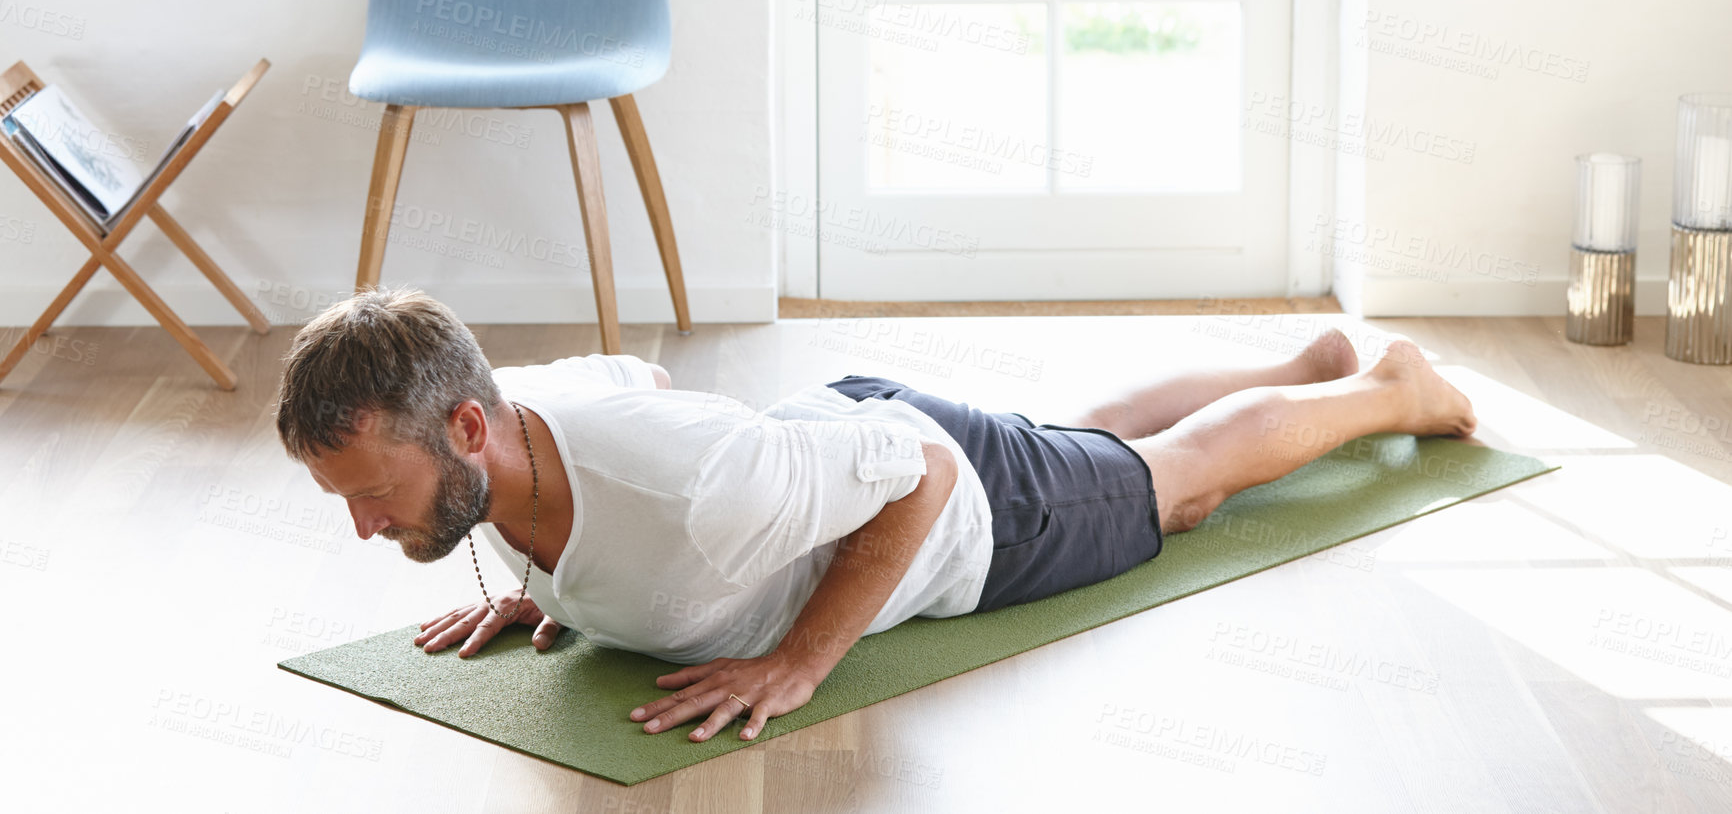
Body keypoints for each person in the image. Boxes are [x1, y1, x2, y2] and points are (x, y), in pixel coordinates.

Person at [275, 288, 1476, 744]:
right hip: (821, 441)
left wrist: (802, 660)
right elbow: (633, 385)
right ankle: (1304, 363)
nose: (368, 527)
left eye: (378, 493)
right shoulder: (515, 413)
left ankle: (1386, 389)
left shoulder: (700, 484)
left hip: (946, 495)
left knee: (1174, 482)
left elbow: (920, 474)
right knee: (1089, 434)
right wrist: (544, 577)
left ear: (468, 431)